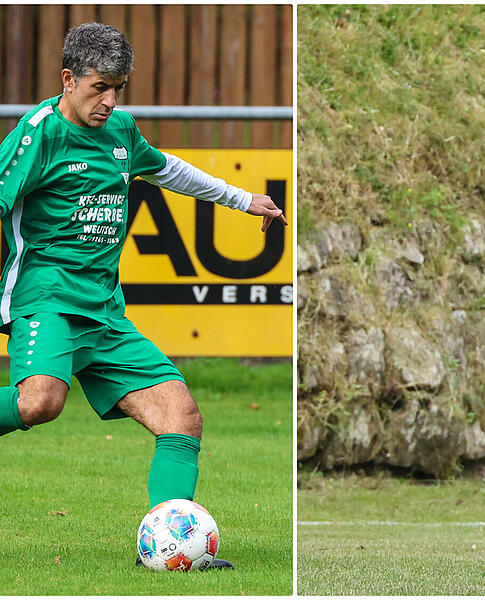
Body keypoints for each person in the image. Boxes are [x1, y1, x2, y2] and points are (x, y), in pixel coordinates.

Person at [0, 22, 287, 569]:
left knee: (181, 417)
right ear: (68, 79)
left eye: (118, 89)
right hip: (48, 299)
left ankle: (169, 547)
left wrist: (241, 199)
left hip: (105, 311)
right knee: (40, 402)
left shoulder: (122, 131)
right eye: (99, 88)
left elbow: (166, 170)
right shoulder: (38, 134)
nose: (109, 101)